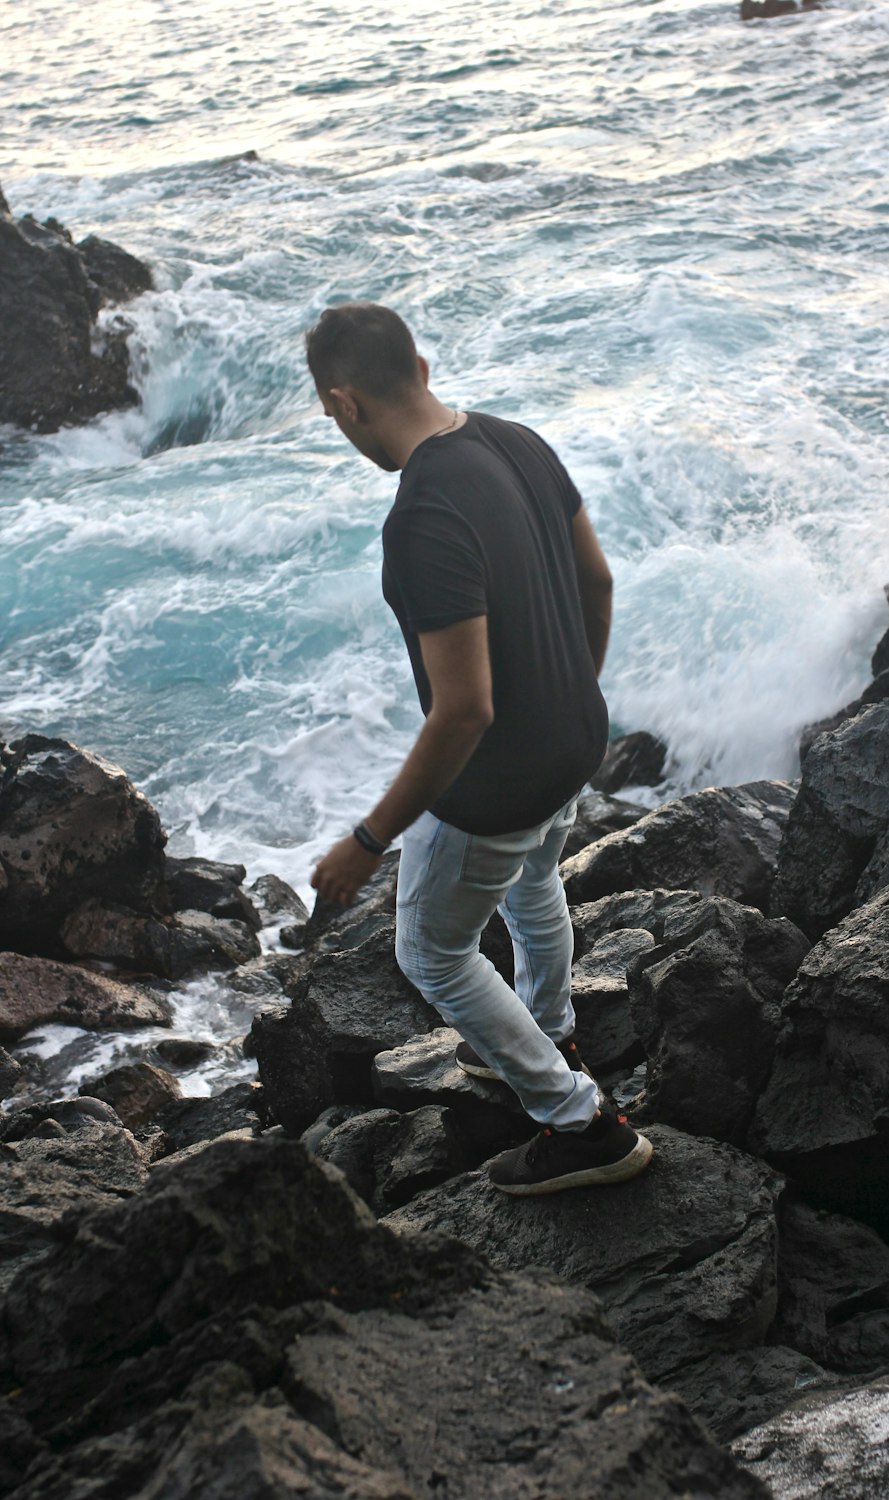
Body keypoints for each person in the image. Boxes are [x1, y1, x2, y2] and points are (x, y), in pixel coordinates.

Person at [306, 302, 652, 1196]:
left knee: (431, 951)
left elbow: (462, 713)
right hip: (575, 742)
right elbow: (597, 578)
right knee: (534, 884)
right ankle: (548, 1027)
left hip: (493, 785)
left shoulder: (422, 517)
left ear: (343, 404)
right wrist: (576, 694)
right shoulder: (518, 439)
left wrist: (369, 839)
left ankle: (579, 1124)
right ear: (420, 366)